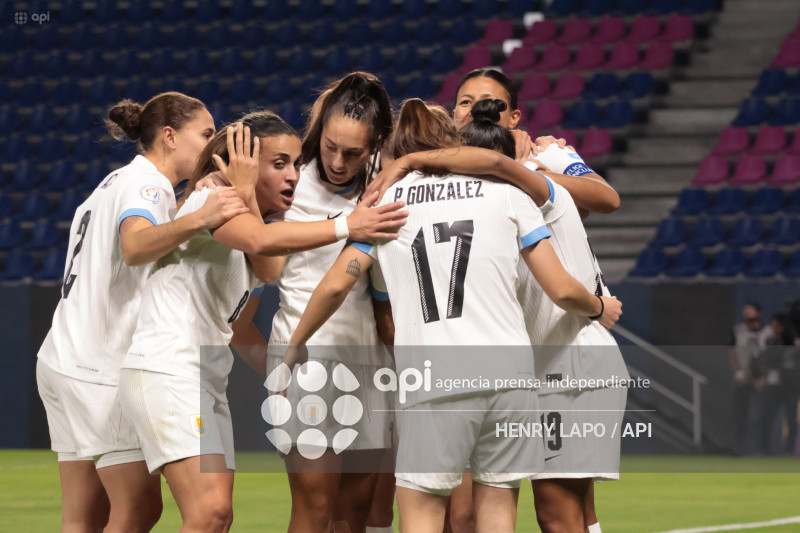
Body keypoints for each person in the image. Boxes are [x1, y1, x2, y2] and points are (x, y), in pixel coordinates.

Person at [282, 99, 622, 533]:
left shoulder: (387, 205)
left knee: (423, 513)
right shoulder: (509, 194)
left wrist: (294, 345)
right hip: (511, 379)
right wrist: (598, 306)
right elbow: (558, 287)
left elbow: (333, 285)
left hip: (433, 381)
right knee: (497, 511)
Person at [117, 113, 407, 533]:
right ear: (244, 163)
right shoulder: (213, 201)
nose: (294, 176)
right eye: (279, 164)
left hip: (201, 378)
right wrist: (348, 224)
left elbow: (269, 268)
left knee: (216, 517)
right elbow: (260, 242)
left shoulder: (243, 209)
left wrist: (250, 193)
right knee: (210, 513)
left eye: (295, 164)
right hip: (168, 369)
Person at [34, 92, 249, 533]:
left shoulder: (111, 183)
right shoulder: (149, 185)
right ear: (169, 136)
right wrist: (200, 216)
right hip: (100, 366)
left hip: (61, 358)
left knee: (82, 517)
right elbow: (135, 246)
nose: (211, 145)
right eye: (205, 134)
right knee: (138, 508)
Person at [728, 302, 771, 454]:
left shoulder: (768, 331)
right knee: (740, 414)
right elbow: (732, 352)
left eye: (750, 313)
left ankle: (763, 448)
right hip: (744, 377)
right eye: (745, 314)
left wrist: (764, 378)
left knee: (764, 414)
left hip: (762, 379)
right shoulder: (738, 330)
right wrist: (738, 372)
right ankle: (738, 447)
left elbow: (772, 356)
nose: (748, 317)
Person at [757, 313, 799, 455]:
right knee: (765, 417)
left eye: (775, 325)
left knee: (791, 420)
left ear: (782, 326)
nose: (773, 328)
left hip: (791, 386)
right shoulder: (770, 341)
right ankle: (763, 448)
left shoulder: (793, 341)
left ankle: (788, 449)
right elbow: (763, 362)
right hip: (773, 385)